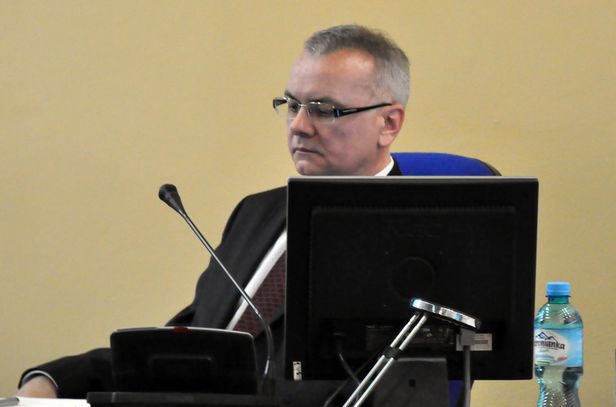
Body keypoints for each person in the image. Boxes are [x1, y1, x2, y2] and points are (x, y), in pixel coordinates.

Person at [16, 24, 410, 404]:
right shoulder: (257, 213)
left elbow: (404, 383)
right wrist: (57, 381)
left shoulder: (415, 235)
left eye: (324, 110)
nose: (299, 126)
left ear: (388, 124)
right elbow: (188, 346)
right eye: (292, 106)